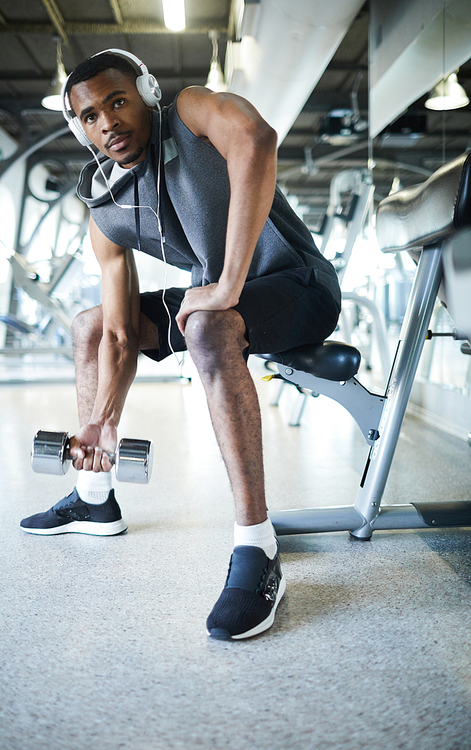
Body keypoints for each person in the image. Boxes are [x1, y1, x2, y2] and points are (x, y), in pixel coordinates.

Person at [20, 50, 341, 640]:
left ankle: (257, 546)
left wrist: (227, 286)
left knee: (207, 324)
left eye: (118, 102)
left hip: (298, 285)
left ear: (145, 92)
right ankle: (94, 495)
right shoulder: (105, 205)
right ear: (79, 128)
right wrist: (101, 420)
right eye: (90, 116)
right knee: (90, 325)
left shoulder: (190, 111)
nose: (108, 122)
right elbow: (118, 333)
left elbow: (256, 138)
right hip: (216, 299)